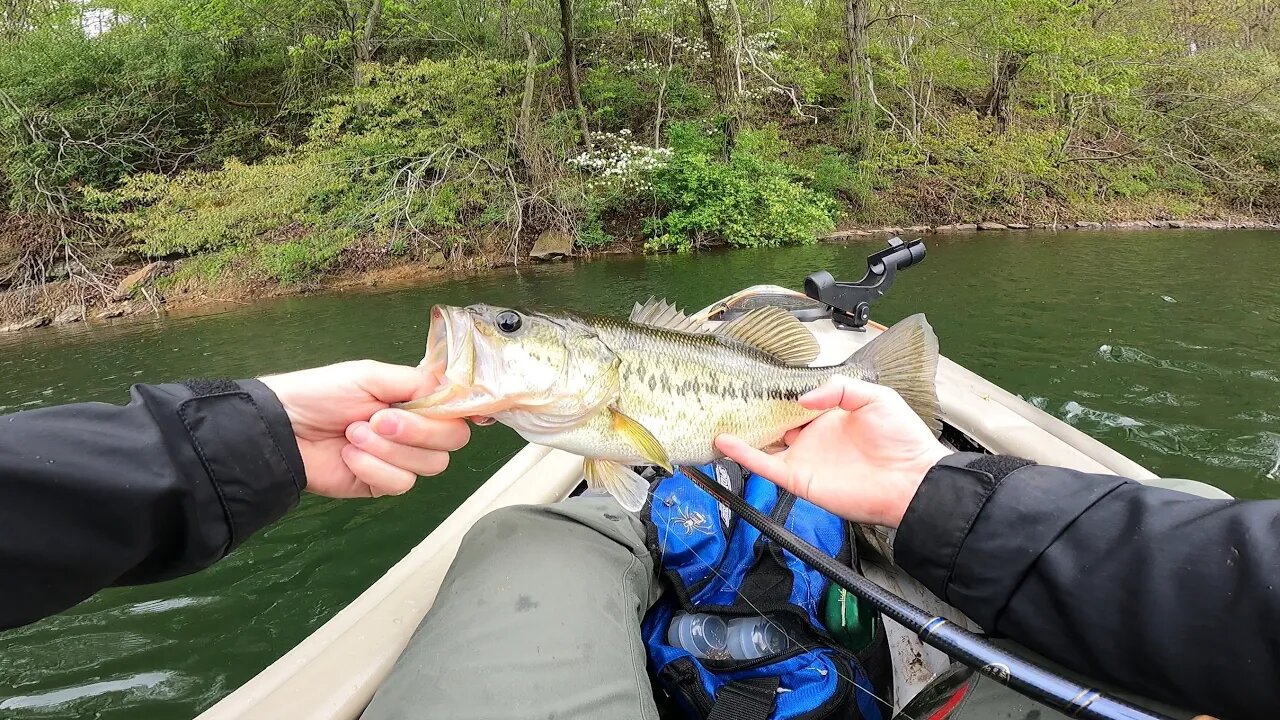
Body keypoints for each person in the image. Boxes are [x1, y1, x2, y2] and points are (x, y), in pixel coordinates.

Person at [1, 365, 1273, 718]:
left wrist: (214, 449)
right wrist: (936, 499)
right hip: (662, 414)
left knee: (526, 535)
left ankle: (617, 524)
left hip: (653, 420)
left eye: (506, 330)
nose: (478, 339)